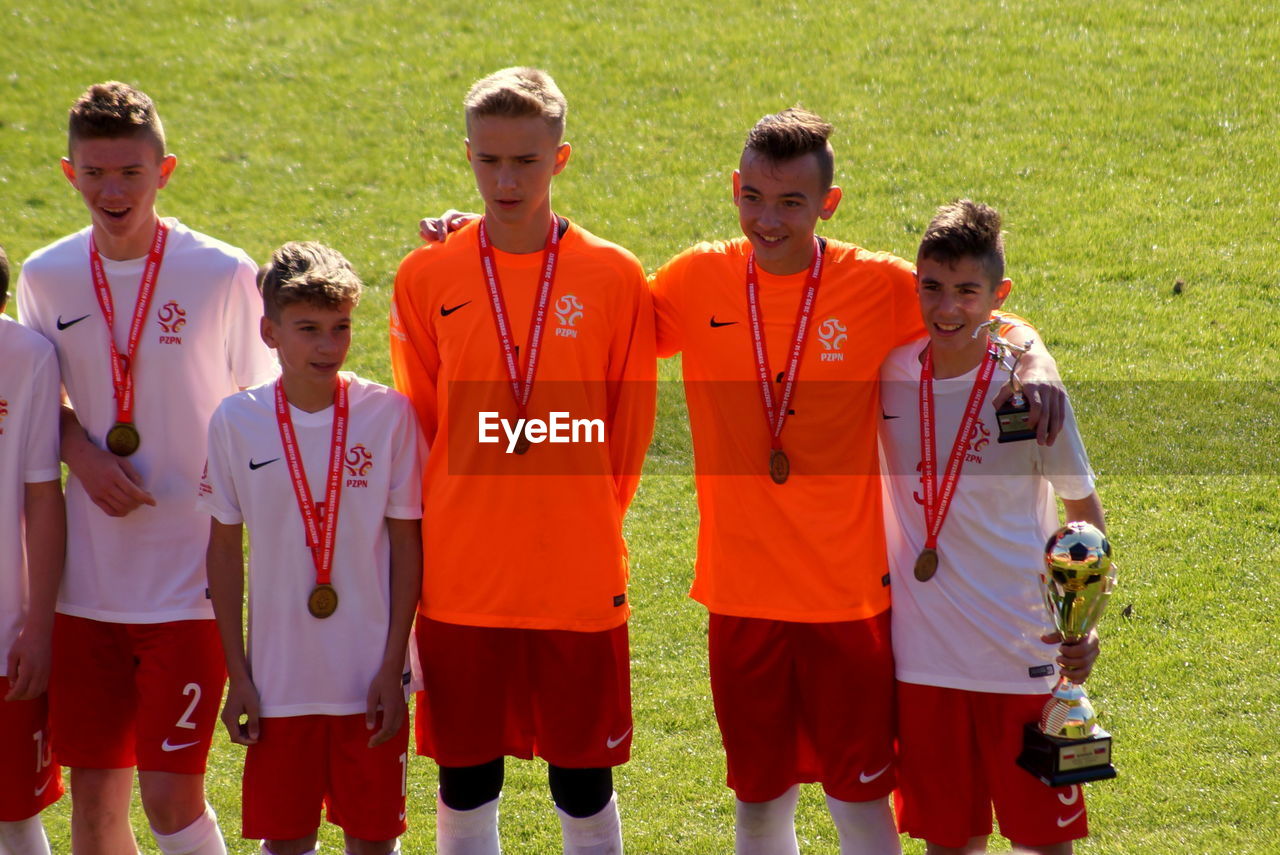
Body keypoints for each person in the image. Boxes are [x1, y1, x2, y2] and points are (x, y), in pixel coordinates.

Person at [646, 109, 1067, 855]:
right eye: (752, 197)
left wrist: (1031, 356)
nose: (766, 219)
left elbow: (970, 307)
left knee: (861, 795)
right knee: (758, 799)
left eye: (790, 203)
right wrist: (480, 234)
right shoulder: (695, 278)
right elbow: (604, 317)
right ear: (733, 188)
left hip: (849, 600)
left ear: (827, 205)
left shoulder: (874, 287)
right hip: (739, 592)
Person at [390, 66, 656, 855]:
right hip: (463, 575)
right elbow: (426, 421)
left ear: (561, 158)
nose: (506, 179)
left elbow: (627, 429)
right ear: (467, 155)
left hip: (575, 569)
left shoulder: (613, 274)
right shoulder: (427, 274)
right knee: (465, 773)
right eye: (489, 160)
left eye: (526, 161)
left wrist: (575, 506)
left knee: (584, 775)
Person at [16, 82, 277, 855]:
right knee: (93, 808)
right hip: (82, 587)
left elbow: (260, 411)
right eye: (94, 173)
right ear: (68, 175)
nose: (112, 190)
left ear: (165, 172)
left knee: (169, 798)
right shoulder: (47, 275)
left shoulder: (222, 273)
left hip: (188, 586)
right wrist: (83, 453)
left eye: (130, 172)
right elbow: (35, 404)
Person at [878, 199, 1103, 855]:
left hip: (1023, 661)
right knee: (949, 842)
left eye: (967, 291)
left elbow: (1083, 515)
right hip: (921, 664)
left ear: (997, 295)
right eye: (933, 287)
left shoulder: (1030, 393)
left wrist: (1082, 621)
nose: (947, 307)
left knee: (1044, 843)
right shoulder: (890, 373)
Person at [201, 242, 423, 855]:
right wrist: (237, 674)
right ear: (269, 332)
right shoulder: (235, 421)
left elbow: (408, 547)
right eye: (308, 330)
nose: (328, 346)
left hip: (368, 679)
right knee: (286, 842)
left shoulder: (388, 416)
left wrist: (392, 665)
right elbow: (223, 553)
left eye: (341, 328)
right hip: (278, 684)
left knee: (374, 840)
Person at [0, 245, 66, 855]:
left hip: (5, 639)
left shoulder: (27, 358)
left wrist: (39, 629)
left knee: (13, 817)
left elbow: (44, 499)